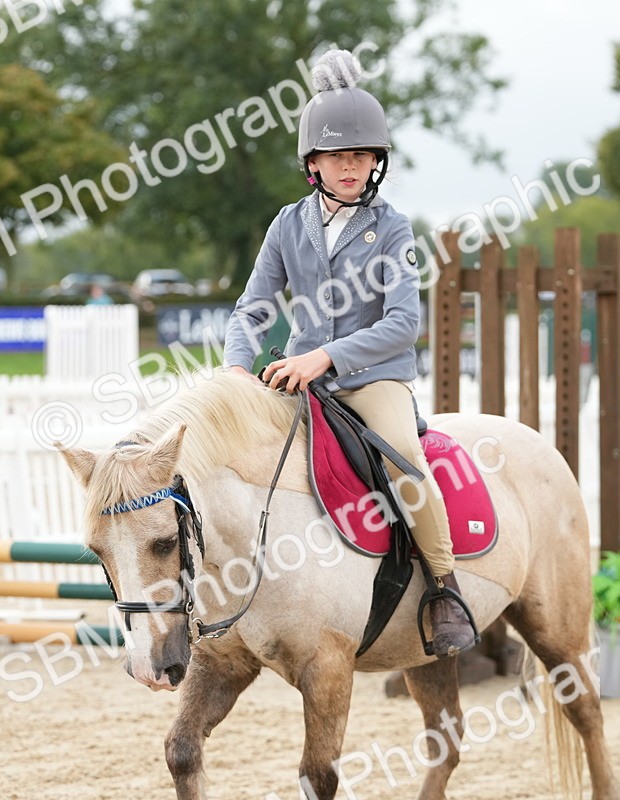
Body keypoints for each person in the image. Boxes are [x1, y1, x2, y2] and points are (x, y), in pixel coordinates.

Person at [222, 49, 476, 658]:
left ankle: (444, 588)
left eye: (362, 156)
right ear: (312, 162)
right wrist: (234, 368)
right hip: (299, 380)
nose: (350, 166)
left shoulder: (392, 228)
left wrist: (326, 357)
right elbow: (252, 308)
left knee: (405, 462)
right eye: (337, 156)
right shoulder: (287, 225)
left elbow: (403, 323)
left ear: (376, 162)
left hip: (372, 380)